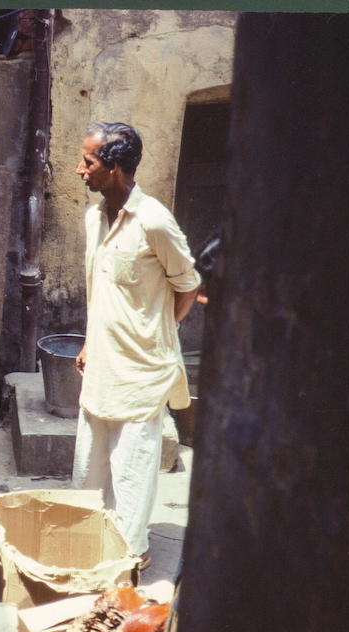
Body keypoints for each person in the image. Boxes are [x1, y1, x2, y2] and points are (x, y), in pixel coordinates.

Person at [71, 122, 201, 565]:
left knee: (131, 469)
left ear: (115, 167)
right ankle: (90, 545)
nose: (79, 169)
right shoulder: (94, 218)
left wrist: (157, 332)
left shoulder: (154, 221)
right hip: (102, 362)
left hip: (142, 370)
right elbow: (101, 291)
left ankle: (128, 559)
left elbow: (188, 285)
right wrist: (91, 341)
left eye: (88, 162)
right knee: (91, 465)